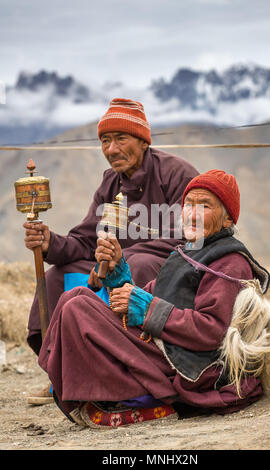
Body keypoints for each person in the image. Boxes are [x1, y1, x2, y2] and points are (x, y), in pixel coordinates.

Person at [37, 170, 270, 428]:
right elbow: (151, 294)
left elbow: (211, 330)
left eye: (204, 206)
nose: (192, 214)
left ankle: (137, 399)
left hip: (184, 363)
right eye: (188, 205)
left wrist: (145, 307)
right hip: (162, 344)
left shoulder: (228, 262)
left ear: (228, 218)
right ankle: (76, 387)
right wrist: (118, 274)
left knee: (78, 308)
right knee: (76, 296)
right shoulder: (188, 252)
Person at [24, 98, 198, 404]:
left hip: (166, 266)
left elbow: (186, 237)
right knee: (56, 277)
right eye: (105, 140)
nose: (112, 149)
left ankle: (132, 370)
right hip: (113, 264)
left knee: (139, 265)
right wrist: (51, 242)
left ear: (144, 141)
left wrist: (122, 259)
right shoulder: (110, 183)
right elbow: (86, 239)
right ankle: (60, 374)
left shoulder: (176, 174)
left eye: (121, 138)